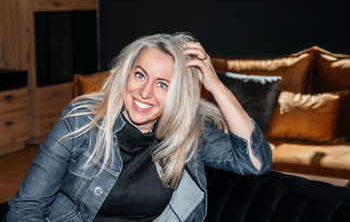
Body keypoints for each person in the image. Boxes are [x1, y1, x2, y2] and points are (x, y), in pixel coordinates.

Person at [6, 33, 272, 222]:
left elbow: (255, 162)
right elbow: (25, 208)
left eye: (162, 84)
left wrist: (214, 85)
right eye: (140, 75)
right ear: (126, 74)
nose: (144, 92)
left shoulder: (189, 133)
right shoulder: (82, 121)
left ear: (178, 94)